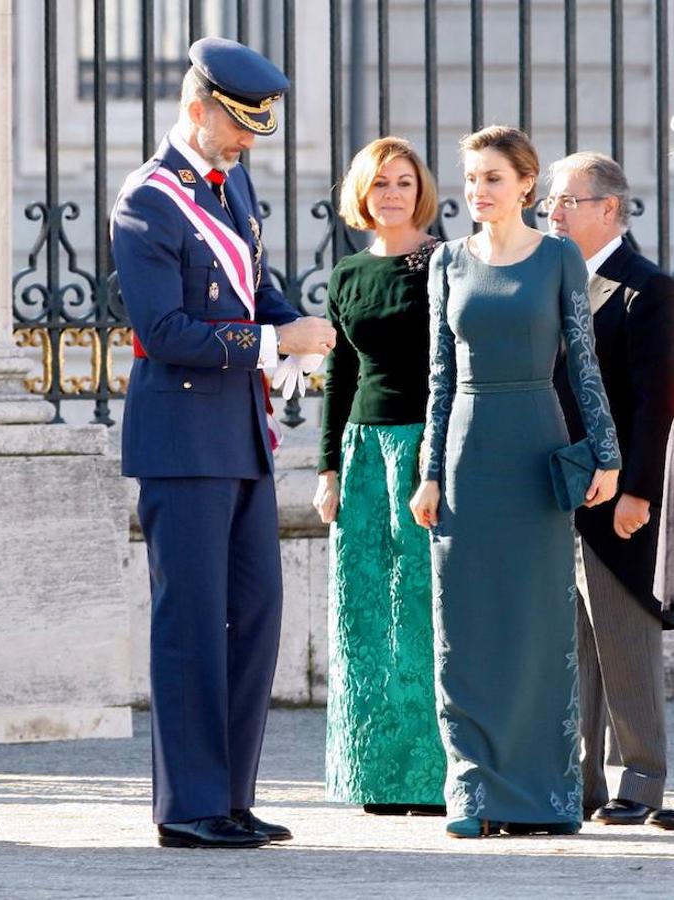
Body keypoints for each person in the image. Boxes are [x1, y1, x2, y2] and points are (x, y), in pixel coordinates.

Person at [111, 37, 336, 849]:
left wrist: (296, 327)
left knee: (254, 616)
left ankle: (231, 796)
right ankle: (188, 806)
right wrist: (271, 345)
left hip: (239, 434)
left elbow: (255, 285)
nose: (247, 142)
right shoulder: (147, 200)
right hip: (179, 437)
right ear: (198, 109)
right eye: (238, 126)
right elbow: (164, 328)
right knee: (191, 625)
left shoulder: (231, 184)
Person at [409, 126, 620, 839]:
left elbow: (583, 365)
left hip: (535, 442)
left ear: (526, 185)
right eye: (470, 179)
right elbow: (438, 378)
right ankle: (471, 789)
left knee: (534, 624)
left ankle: (542, 796)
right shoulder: (444, 262)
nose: (477, 192)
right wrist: (427, 472)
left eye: (492, 178)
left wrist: (605, 455)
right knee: (463, 626)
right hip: (467, 452)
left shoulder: (558, 257)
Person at [313, 137, 445, 816]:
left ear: (418, 190)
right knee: (362, 613)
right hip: (363, 453)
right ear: (360, 196)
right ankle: (372, 777)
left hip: (423, 450)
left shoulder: (443, 265)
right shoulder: (344, 275)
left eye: (402, 182)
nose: (390, 194)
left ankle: (427, 777)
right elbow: (338, 375)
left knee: (418, 610)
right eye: (378, 184)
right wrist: (328, 467)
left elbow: (450, 370)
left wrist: (436, 462)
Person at [546, 152, 674, 830]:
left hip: (616, 502)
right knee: (571, 650)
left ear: (609, 208)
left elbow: (656, 405)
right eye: (549, 203)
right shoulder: (554, 281)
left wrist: (636, 494)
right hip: (555, 494)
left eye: (566, 200)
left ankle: (643, 782)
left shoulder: (644, 288)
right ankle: (582, 782)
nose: (552, 213)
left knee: (622, 642)